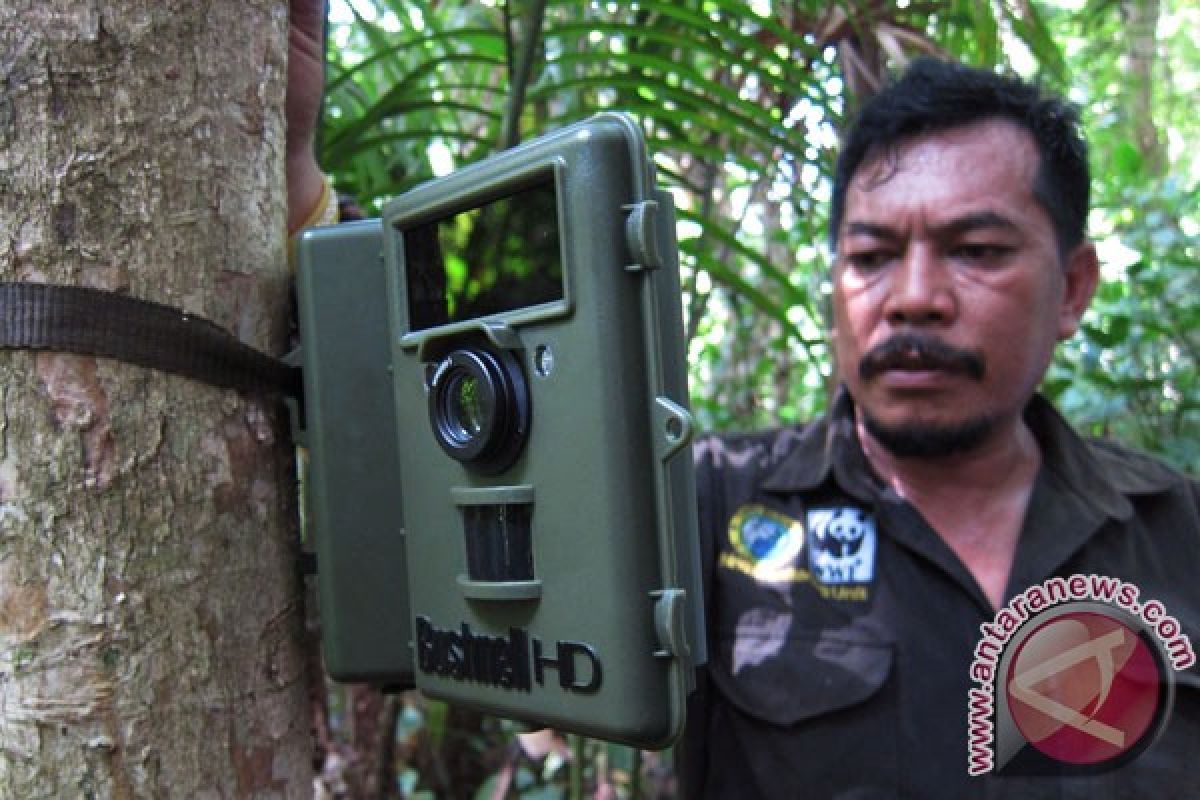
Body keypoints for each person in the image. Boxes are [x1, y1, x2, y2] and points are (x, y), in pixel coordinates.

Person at [681, 58, 1200, 798]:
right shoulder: (701, 507)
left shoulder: (1179, 530)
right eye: (870, 258)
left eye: (976, 252)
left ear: (1073, 289)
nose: (914, 299)